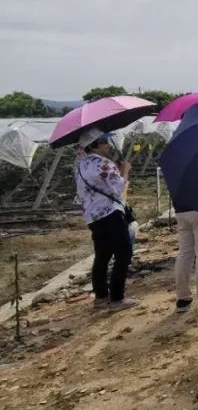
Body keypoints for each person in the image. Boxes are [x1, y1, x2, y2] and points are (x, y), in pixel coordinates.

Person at [74, 128, 137, 311]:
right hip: (110, 213)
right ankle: (117, 298)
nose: (107, 145)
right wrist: (125, 171)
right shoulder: (103, 164)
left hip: (93, 217)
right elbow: (119, 189)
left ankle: (100, 297)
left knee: (102, 255)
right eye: (104, 142)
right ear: (94, 145)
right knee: (124, 253)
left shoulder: (81, 165)